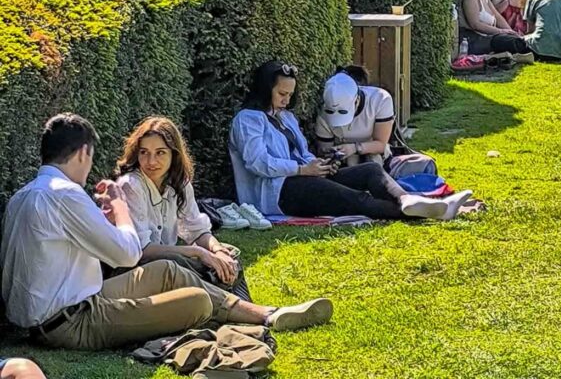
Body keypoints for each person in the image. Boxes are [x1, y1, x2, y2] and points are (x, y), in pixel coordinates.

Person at [1, 114, 332, 351]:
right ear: (84, 153)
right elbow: (129, 253)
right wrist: (117, 207)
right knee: (198, 300)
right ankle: (255, 317)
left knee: (168, 271)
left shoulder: (26, 194)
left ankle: (267, 314)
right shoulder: (67, 194)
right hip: (69, 322)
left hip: (67, 305)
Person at [229, 62, 472, 222]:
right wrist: (303, 170)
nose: (286, 100)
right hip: (277, 193)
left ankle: (407, 199)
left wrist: (320, 165)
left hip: (303, 176)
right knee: (354, 199)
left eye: (290, 95)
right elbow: (257, 163)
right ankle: (428, 212)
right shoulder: (248, 120)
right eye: (282, 94)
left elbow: (302, 153)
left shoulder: (287, 118)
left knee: (370, 170)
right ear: (265, 89)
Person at [114, 117, 256, 300]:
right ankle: (227, 304)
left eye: (160, 153)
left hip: (165, 259)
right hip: (136, 268)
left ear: (174, 154)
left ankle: (239, 304)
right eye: (144, 152)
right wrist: (199, 252)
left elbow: (196, 230)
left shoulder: (179, 183)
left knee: (230, 254)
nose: (151, 161)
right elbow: (142, 249)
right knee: (182, 263)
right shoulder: (131, 185)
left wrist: (218, 250)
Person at [315, 72, 395, 168]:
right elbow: (325, 152)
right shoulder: (323, 116)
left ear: (357, 100)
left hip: (375, 156)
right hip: (343, 162)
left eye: (344, 112)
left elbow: (381, 145)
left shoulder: (380, 99)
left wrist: (354, 148)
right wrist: (331, 156)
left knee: (373, 161)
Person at [457, 0, 535, 60]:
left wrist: (510, 32)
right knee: (508, 42)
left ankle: (532, 51)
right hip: (473, 41)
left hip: (488, 38)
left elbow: (497, 16)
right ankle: (534, 52)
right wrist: (500, 31)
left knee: (515, 38)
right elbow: (475, 24)